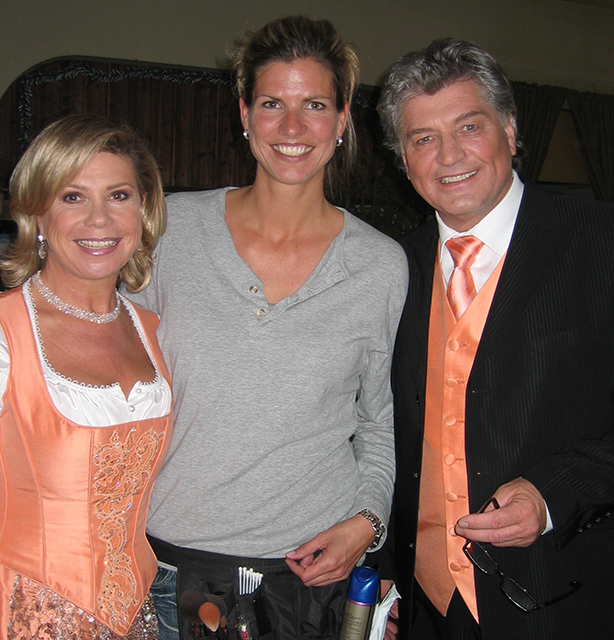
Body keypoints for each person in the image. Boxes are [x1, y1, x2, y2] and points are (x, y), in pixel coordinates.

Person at [129, 15, 408, 640]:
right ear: (245, 114)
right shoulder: (168, 232)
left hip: (310, 581)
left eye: (315, 105)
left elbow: (380, 422)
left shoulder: (381, 266)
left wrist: (367, 523)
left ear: (342, 120)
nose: (292, 127)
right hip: (172, 568)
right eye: (272, 103)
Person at [377, 38, 614, 640]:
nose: (449, 155)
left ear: (509, 130)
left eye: (469, 126)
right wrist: (382, 565)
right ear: (402, 159)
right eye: (423, 138)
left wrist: (553, 495)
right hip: (425, 605)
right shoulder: (388, 268)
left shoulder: (601, 242)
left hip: (567, 599)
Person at [0, 114, 173, 639]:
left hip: (136, 614)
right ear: (37, 213)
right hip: (25, 614)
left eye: (118, 195)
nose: (99, 219)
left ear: (143, 209)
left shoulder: (149, 330)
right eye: (72, 197)